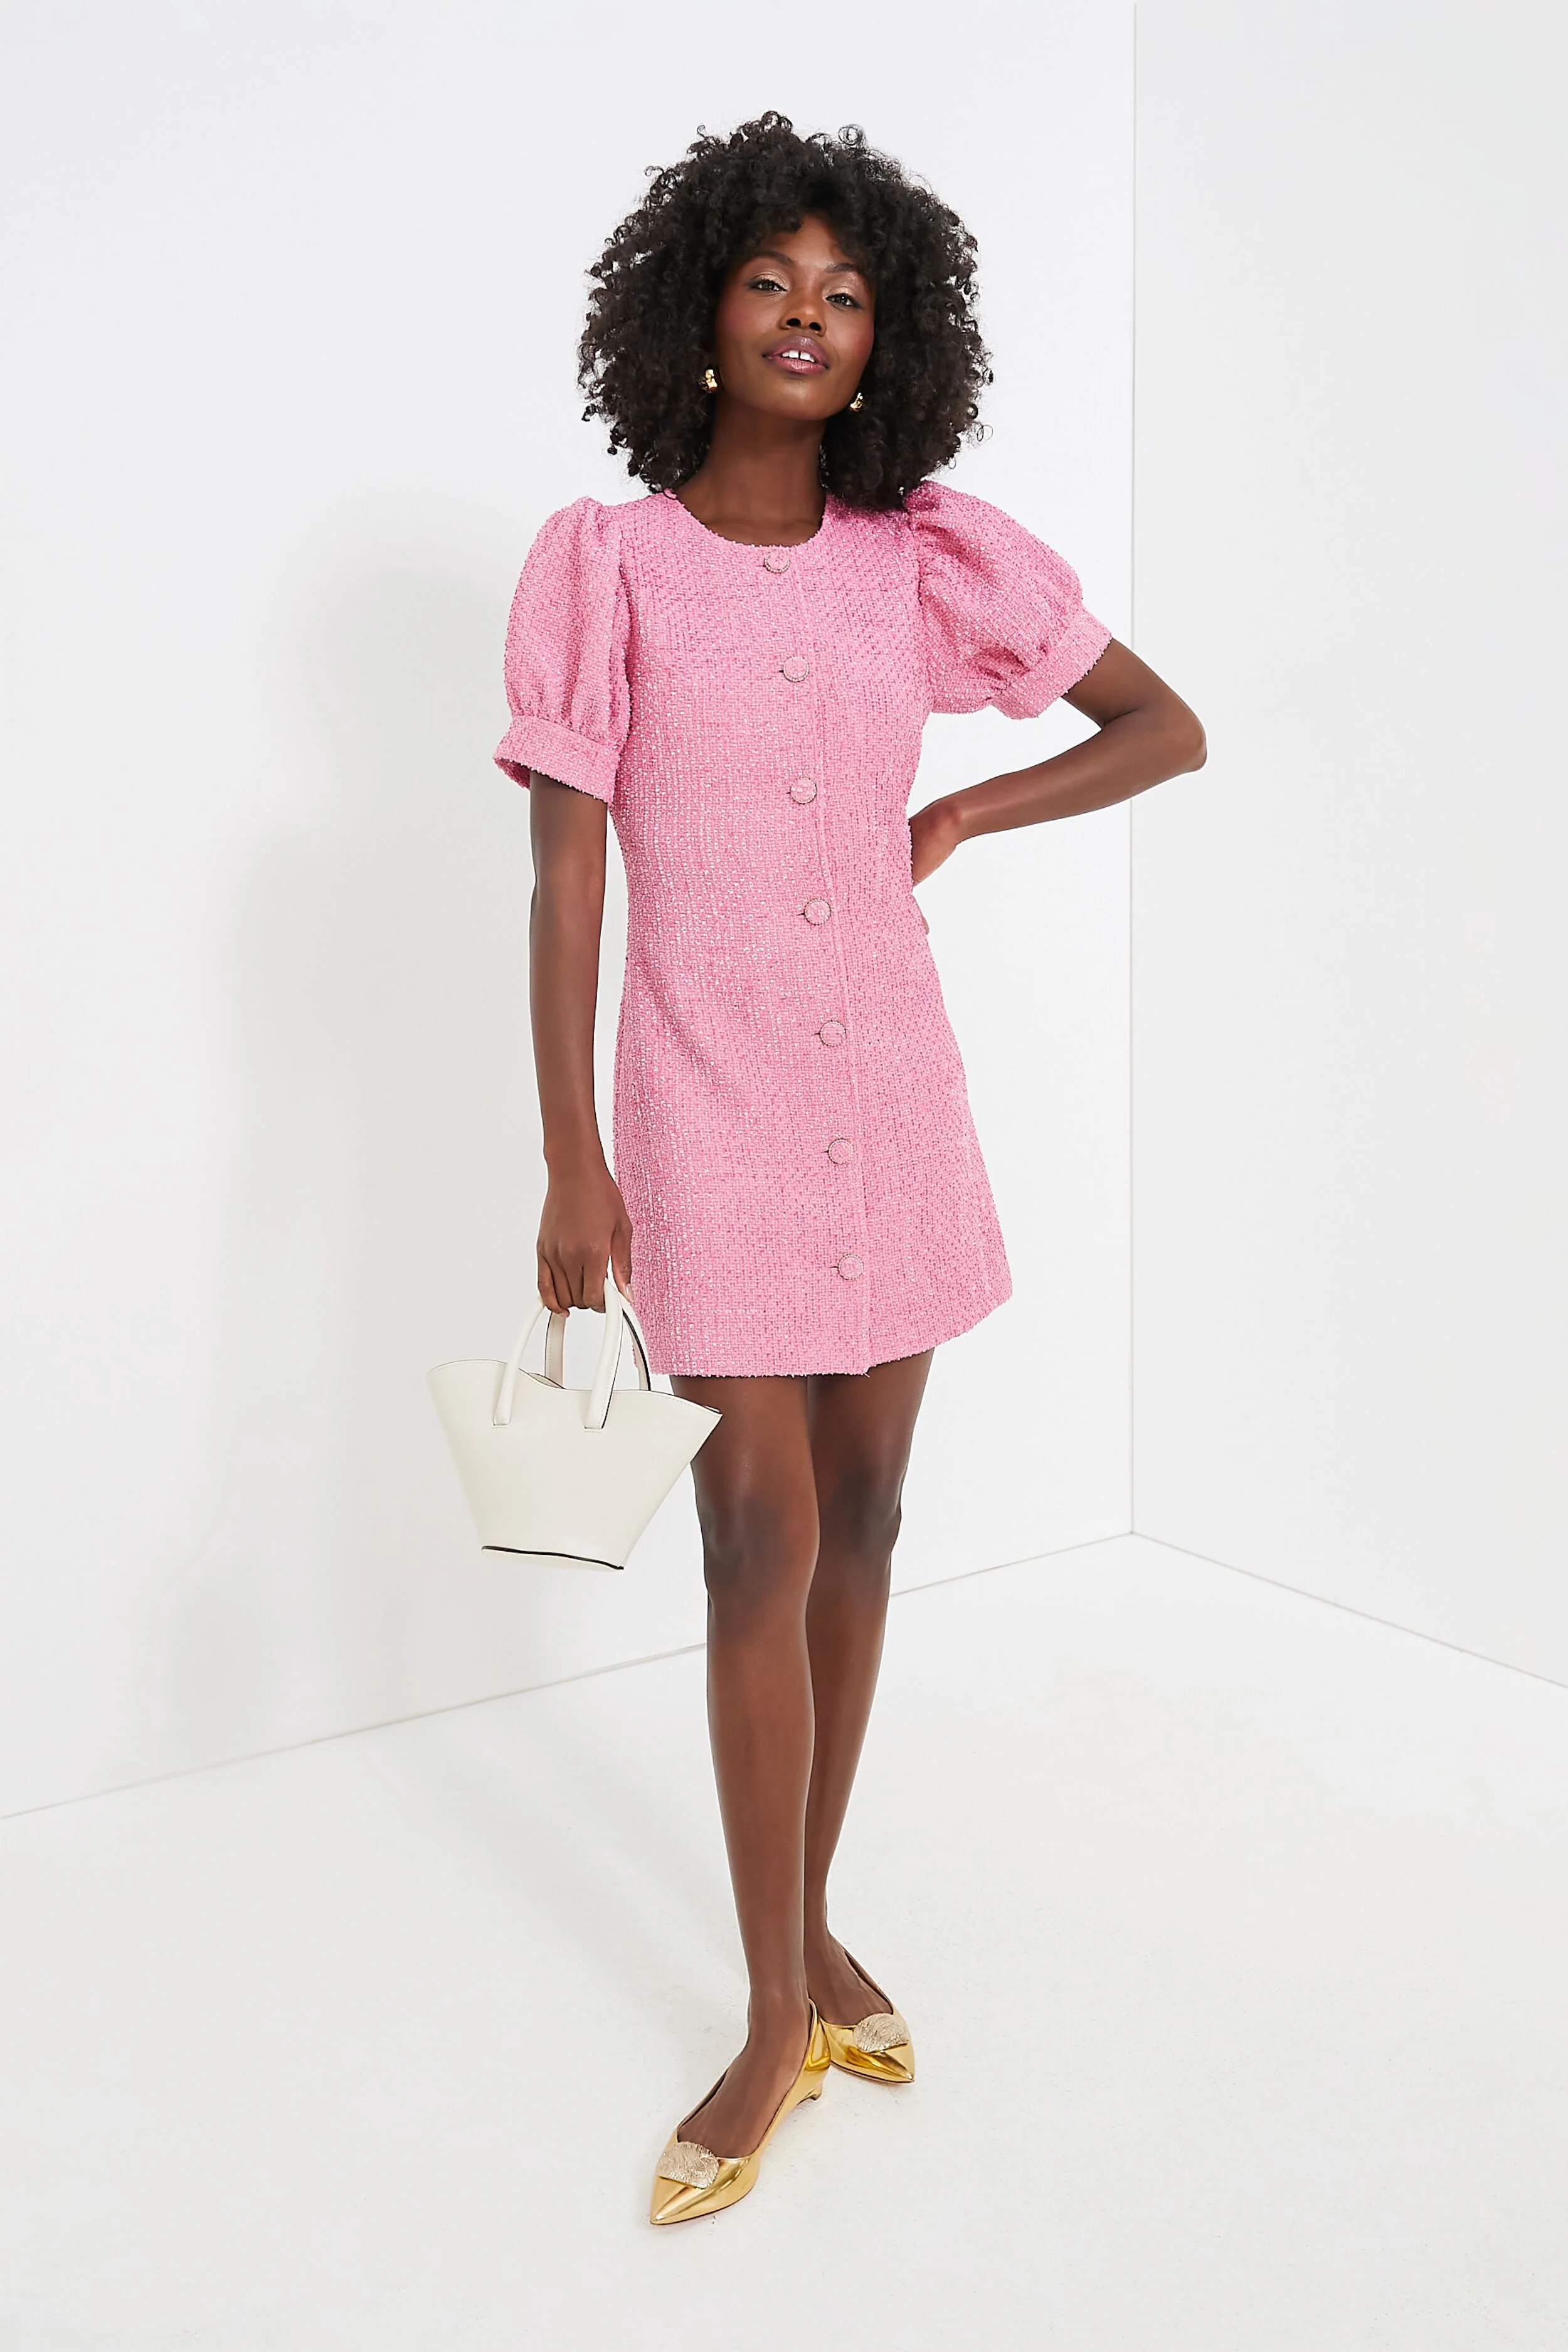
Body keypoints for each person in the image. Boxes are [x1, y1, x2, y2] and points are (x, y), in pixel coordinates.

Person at [493, 113, 1205, 2225]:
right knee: (754, 1543)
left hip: (891, 1091)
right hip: (698, 1103)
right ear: (695, 313)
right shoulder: (603, 566)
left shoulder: (928, 558)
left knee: (871, 1520)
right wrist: (571, 1159)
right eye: (767, 281)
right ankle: (764, 2017)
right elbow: (563, 880)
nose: (806, 316)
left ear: (890, 336)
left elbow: (1160, 724)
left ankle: (807, 1940)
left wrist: (967, 814)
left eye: (846, 292)